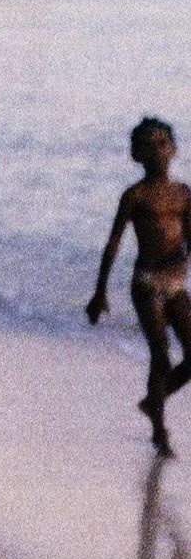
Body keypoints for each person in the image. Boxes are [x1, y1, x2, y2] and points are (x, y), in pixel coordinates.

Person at [86, 116, 191, 456]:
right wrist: (100, 292)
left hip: (176, 283)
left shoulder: (183, 193)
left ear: (173, 150)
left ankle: (153, 401)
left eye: (162, 144)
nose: (157, 151)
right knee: (160, 353)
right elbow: (113, 243)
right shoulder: (135, 195)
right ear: (136, 155)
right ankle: (159, 431)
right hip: (146, 284)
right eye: (148, 146)